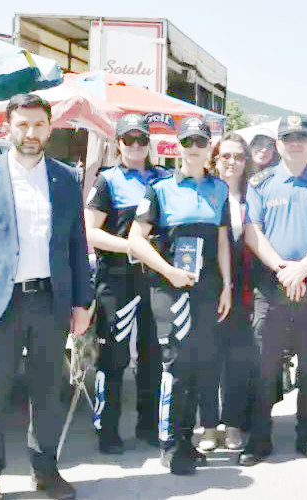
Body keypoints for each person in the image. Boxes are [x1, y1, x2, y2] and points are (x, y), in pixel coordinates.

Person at [0, 94, 93, 500]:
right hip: (1, 303)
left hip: (50, 301)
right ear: (7, 128)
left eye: (38, 125)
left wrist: (81, 303)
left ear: (50, 128)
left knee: (48, 393)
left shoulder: (66, 178)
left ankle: (46, 471)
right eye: (23, 125)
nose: (31, 133)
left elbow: (77, 244)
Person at [127, 118, 233, 475]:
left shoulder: (219, 189)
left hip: (206, 289)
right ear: (178, 145)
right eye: (188, 142)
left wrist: (227, 286)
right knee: (175, 365)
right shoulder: (159, 188)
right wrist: (167, 270)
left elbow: (222, 240)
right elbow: (136, 240)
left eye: (200, 142)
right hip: (169, 288)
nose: (194, 148)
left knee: (198, 364)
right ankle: (170, 444)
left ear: (209, 146)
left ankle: (186, 440)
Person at [241, 114, 307, 466]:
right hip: (272, 283)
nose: (295, 143)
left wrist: (303, 268)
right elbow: (252, 231)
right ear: (278, 144)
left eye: (301, 137)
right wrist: (283, 269)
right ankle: (259, 438)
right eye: (288, 137)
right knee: (264, 363)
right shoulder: (261, 182)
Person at [84, 114, 168, 454]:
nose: (135, 145)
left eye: (141, 139)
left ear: (149, 142)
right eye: (128, 139)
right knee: (113, 358)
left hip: (155, 281)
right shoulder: (107, 180)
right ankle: (107, 430)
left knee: (154, 356)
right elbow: (90, 232)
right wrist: (133, 247)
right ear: (118, 143)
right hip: (117, 281)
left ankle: (149, 426)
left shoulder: (165, 179)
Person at [201, 133, 259, 452]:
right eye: (225, 156)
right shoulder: (205, 191)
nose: (232, 162)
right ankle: (209, 425)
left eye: (238, 156)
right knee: (208, 356)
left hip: (246, 287)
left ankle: (233, 423)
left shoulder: (254, 195)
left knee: (238, 358)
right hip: (209, 284)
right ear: (215, 159)